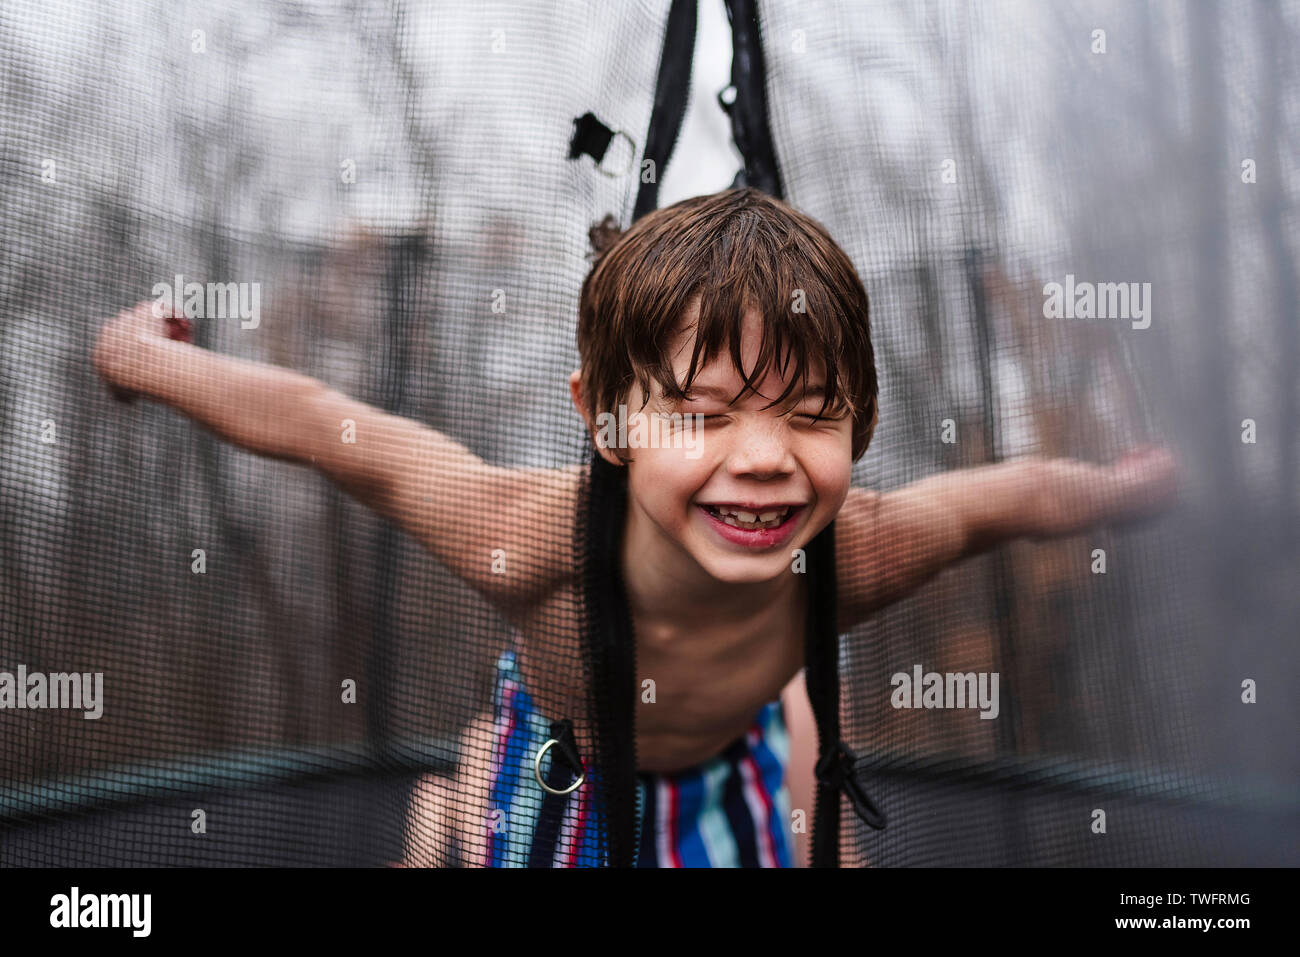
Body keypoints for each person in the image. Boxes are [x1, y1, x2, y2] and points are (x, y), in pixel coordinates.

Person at [93, 187, 1179, 867]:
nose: (762, 458)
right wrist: (145, 359)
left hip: (725, 756)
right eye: (701, 417)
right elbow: (336, 431)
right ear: (604, 422)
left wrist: (1117, 490)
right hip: (566, 758)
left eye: (811, 418)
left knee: (806, 767)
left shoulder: (862, 548)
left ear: (864, 424)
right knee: (476, 839)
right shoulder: (523, 536)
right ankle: (447, 804)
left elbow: (1008, 498)